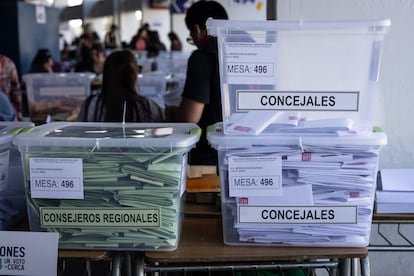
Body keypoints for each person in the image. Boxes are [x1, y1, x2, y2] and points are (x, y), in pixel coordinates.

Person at [165, 0, 228, 166]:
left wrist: (171, 113)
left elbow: (189, 117)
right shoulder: (249, 49)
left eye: (191, 36)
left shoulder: (202, 57)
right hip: (246, 150)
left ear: (197, 30)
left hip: (210, 156)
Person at [77, 49, 164, 122]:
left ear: (106, 75)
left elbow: (79, 134)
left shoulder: (91, 105)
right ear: (134, 76)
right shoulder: (147, 107)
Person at [0, 53, 23, 121]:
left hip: (6, 111)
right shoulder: (8, 63)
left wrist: (18, 110)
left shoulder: (8, 64)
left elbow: (15, 89)